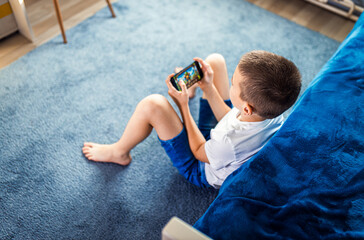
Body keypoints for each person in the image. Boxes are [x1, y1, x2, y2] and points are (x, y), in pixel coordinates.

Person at [82, 51, 301, 189]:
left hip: (200, 165)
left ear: (246, 107)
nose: (231, 82)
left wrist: (183, 105)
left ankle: (119, 152)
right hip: (219, 142)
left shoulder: (228, 142)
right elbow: (231, 118)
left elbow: (198, 150)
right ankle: (197, 86)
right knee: (215, 61)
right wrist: (208, 86)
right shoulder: (271, 114)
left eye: (233, 83)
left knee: (153, 104)